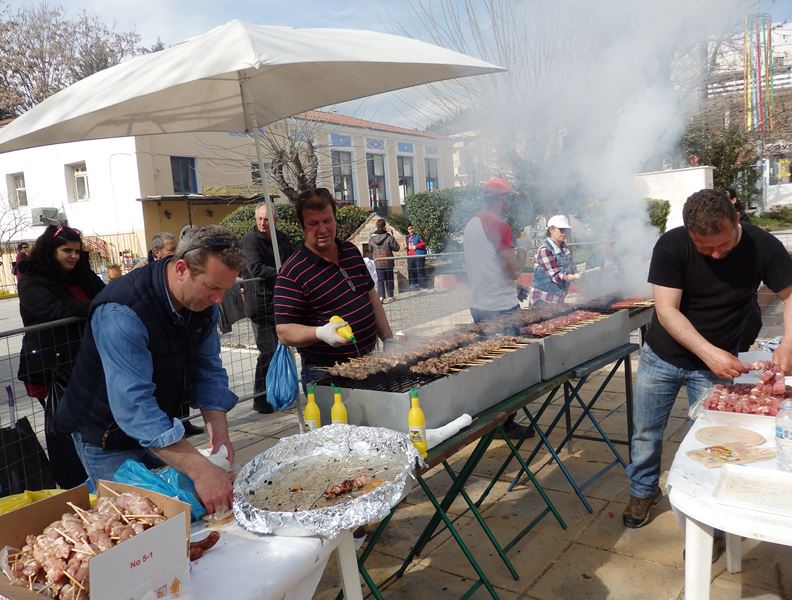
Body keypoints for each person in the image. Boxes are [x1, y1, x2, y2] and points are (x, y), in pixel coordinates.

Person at [623, 189, 792, 529]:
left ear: (736, 220)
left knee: (716, 441)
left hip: (717, 365)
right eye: (705, 247)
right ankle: (643, 490)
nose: (716, 254)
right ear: (689, 233)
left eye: (724, 244)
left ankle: (708, 516)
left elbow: (790, 295)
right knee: (645, 433)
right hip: (661, 358)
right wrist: (709, 352)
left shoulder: (764, 246)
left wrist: (789, 341)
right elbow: (667, 311)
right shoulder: (672, 246)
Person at [56, 225, 245, 514]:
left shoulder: (204, 303)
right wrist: (202, 471)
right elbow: (135, 407)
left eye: (225, 289)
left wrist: (219, 435)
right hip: (106, 437)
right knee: (136, 525)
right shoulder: (122, 312)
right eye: (213, 288)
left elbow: (207, 370)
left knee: (178, 514)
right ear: (181, 268)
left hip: (157, 427)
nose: (219, 300)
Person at [17, 225, 106, 488]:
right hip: (52, 367)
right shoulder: (32, 279)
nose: (73, 256)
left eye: (77, 251)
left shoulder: (81, 275)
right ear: (50, 250)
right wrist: (97, 305)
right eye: (66, 250)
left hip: (86, 361)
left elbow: (103, 293)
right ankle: (77, 484)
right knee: (68, 429)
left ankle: (95, 478)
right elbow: (53, 310)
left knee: (92, 426)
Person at [274, 188, 393, 385]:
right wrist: (320, 333)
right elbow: (284, 331)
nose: (322, 229)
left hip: (370, 361)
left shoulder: (351, 251)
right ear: (302, 226)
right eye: (314, 224)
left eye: (327, 221)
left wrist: (388, 340)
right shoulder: (292, 272)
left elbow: (370, 296)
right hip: (326, 373)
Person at [463, 177, 533, 439]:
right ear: (501, 199)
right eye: (508, 199)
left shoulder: (470, 225)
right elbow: (514, 269)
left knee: (489, 367)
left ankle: (493, 421)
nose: (509, 204)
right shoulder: (499, 226)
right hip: (502, 309)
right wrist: (524, 249)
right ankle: (503, 423)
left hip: (479, 305)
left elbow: (486, 267)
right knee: (510, 369)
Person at [241, 201, 295, 414]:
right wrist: (283, 273)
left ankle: (280, 391)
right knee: (268, 352)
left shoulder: (282, 238)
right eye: (259, 219)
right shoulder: (249, 240)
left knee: (284, 348)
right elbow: (255, 268)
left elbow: (292, 260)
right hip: (260, 304)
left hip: (281, 301)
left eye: (267, 219)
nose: (263, 223)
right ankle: (260, 397)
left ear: (275, 221)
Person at [528, 215, 581, 307]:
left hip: (558, 300)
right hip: (542, 301)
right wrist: (576, 276)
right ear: (551, 230)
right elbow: (557, 277)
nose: (564, 233)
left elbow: (572, 269)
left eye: (567, 230)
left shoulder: (566, 249)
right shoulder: (545, 250)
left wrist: (582, 273)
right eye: (561, 230)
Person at [369, 219, 400, 303]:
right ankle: (390, 296)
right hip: (388, 262)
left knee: (380, 280)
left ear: (376, 226)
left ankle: (381, 297)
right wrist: (393, 237)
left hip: (378, 262)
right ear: (384, 226)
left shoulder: (371, 238)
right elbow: (397, 248)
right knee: (389, 279)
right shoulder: (389, 237)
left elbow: (369, 249)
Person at [405, 223, 428, 290]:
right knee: (411, 271)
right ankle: (414, 285)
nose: (411, 230)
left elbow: (424, 243)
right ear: (407, 230)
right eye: (409, 229)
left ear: (414, 229)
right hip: (410, 256)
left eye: (412, 228)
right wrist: (406, 247)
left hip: (418, 255)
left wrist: (416, 246)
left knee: (420, 270)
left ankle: (423, 286)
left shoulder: (418, 236)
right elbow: (409, 245)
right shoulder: (407, 237)